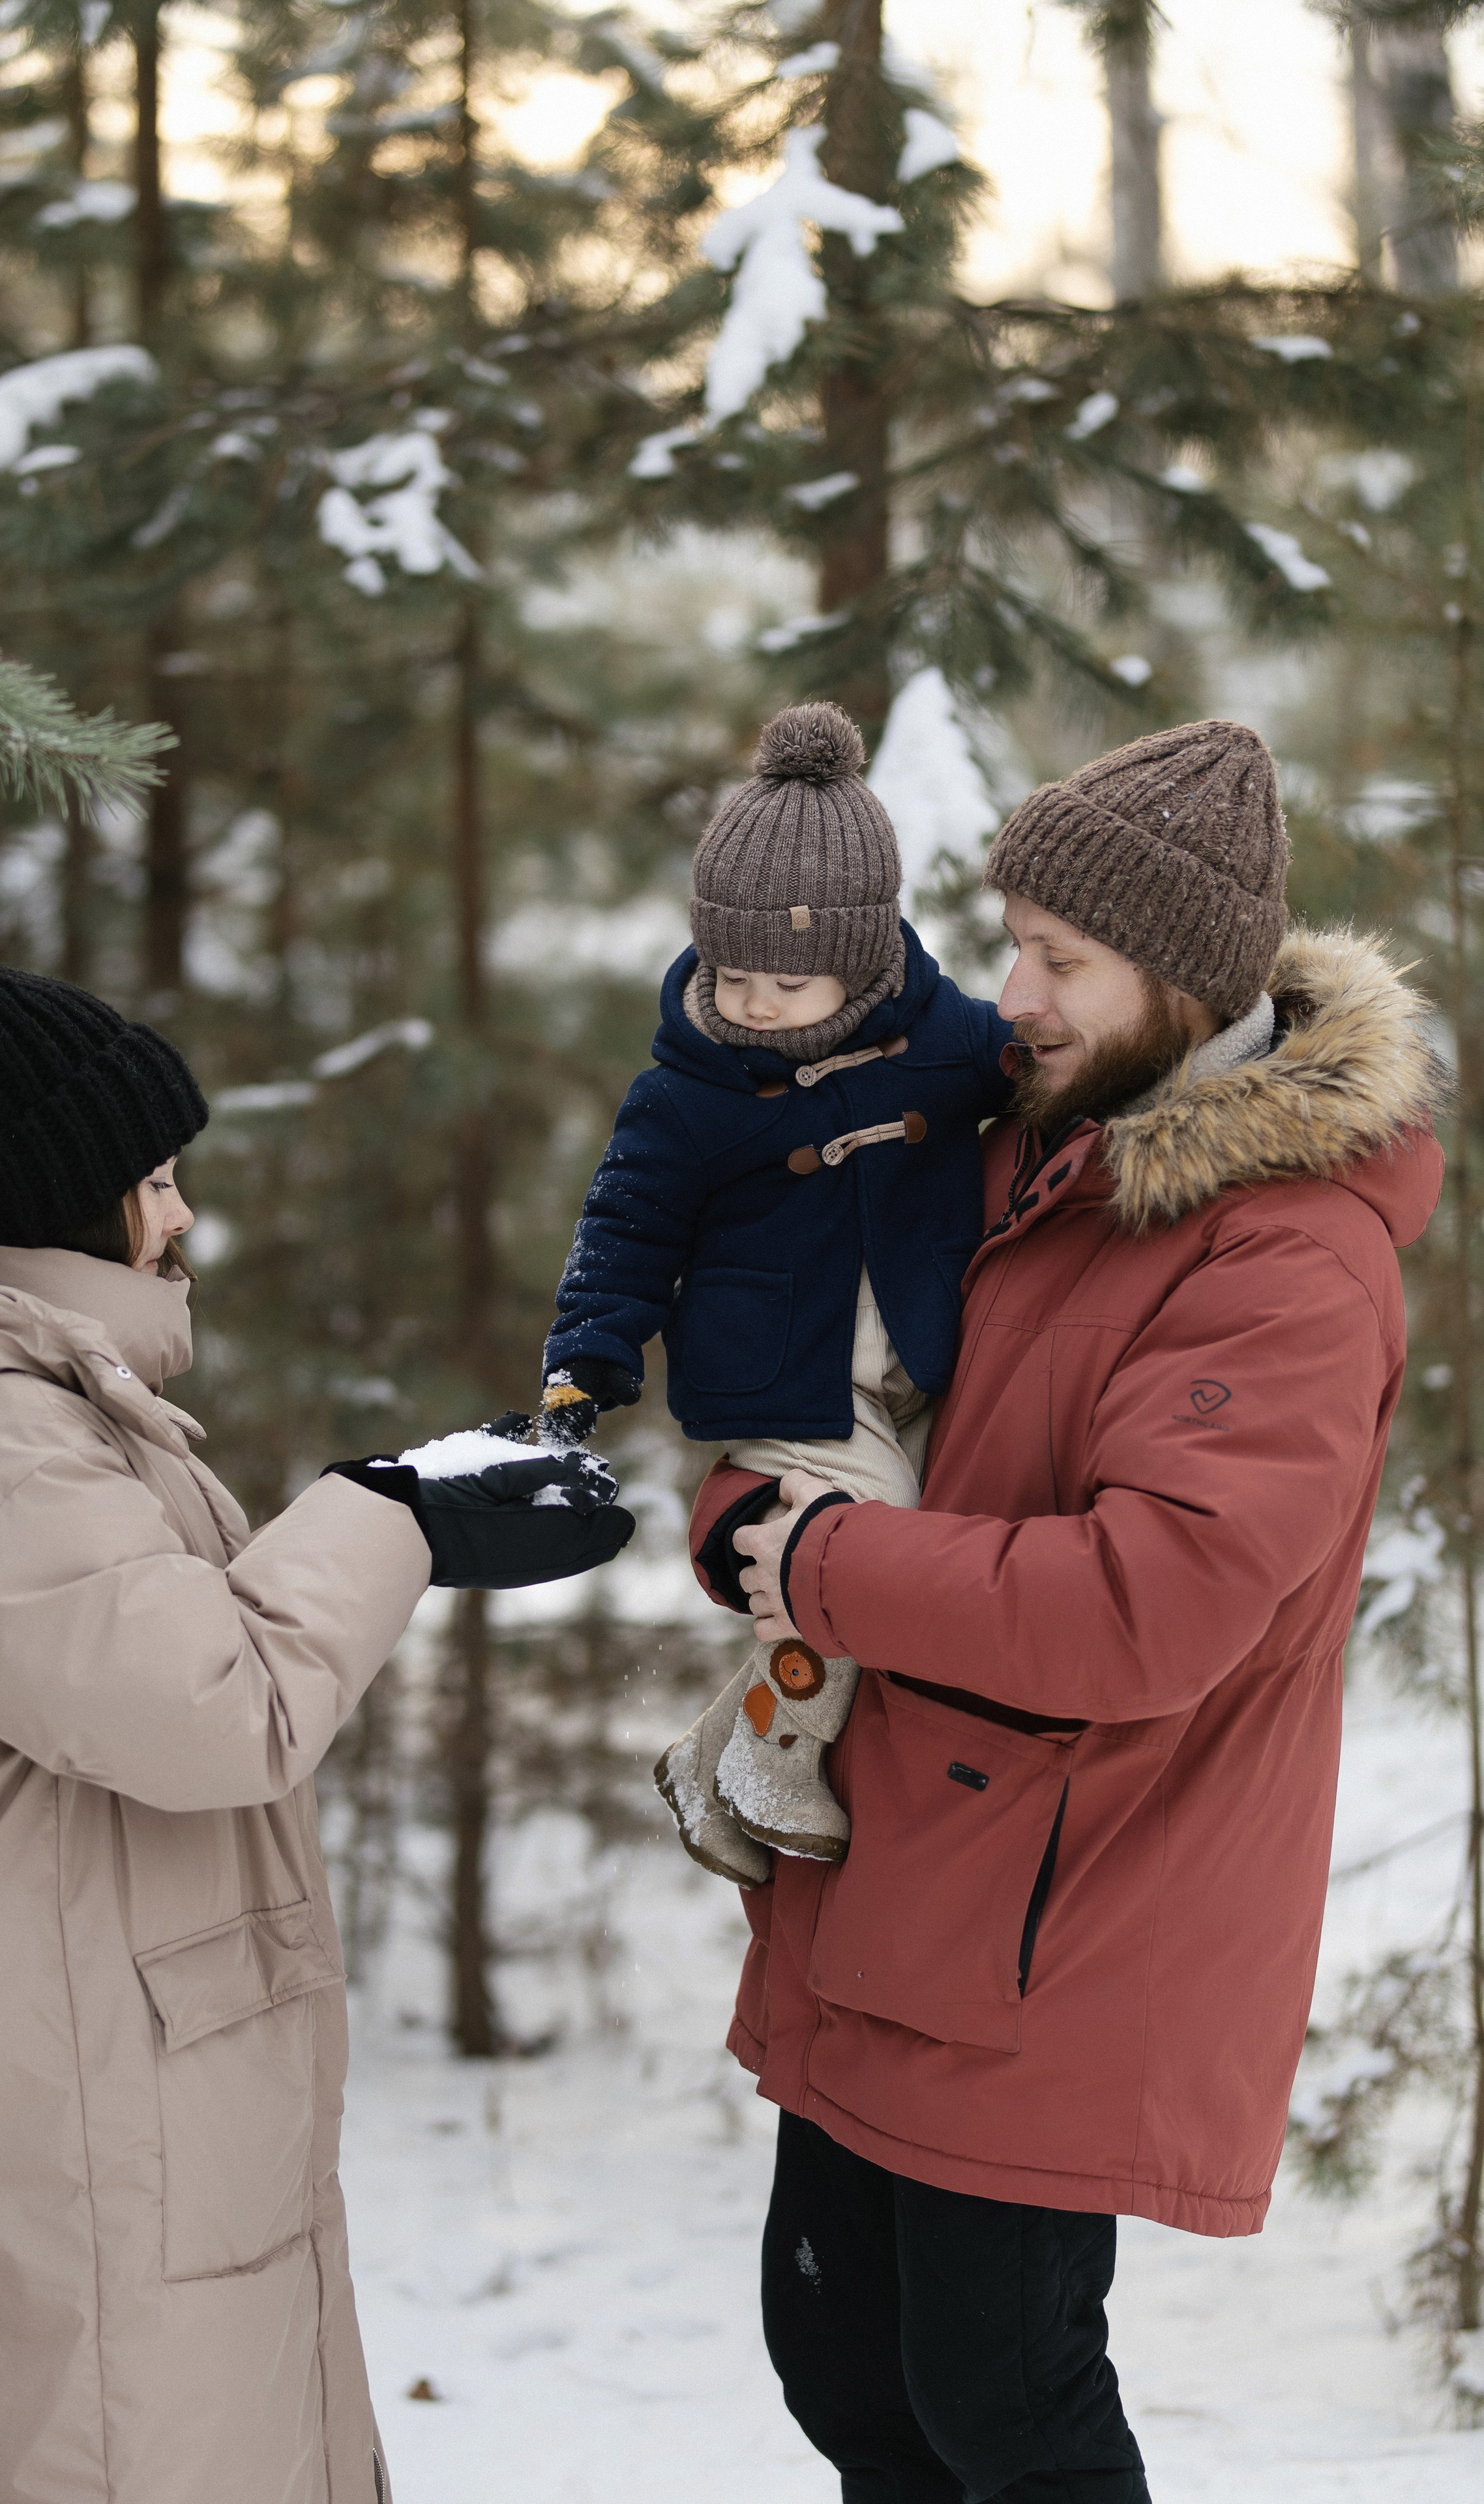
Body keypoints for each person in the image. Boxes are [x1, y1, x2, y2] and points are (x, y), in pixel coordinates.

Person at [687, 719, 1445, 2503]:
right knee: (848, 2377)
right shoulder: (1016, 1147)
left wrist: (812, 1562)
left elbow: (1141, 1608)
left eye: (1063, 959)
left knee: (1003, 2412)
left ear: (1186, 983)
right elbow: (793, 1380)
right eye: (1011, 941)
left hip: (1066, 1910)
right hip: (891, 1871)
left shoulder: (1286, 1256)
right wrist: (748, 1510)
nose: (1012, 993)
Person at [0, 946, 625, 2504]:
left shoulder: (28, 1419)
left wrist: (405, 1506)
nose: (181, 1217)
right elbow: (213, 1706)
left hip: (106, 2149)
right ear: (69, 1201)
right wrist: (392, 1514)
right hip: (79, 2191)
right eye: (156, 1180)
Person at [538, 701, 1009, 1877]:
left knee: (949, 1531)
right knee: (856, 1547)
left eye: (788, 981)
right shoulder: (687, 1092)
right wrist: (587, 1355)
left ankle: (708, 1755)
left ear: (863, 959)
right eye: (732, 972)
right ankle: (774, 1752)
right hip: (786, 1376)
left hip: (920, 1356)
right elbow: (626, 1226)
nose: (752, 1003)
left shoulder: (945, 1043)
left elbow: (1046, 1074)